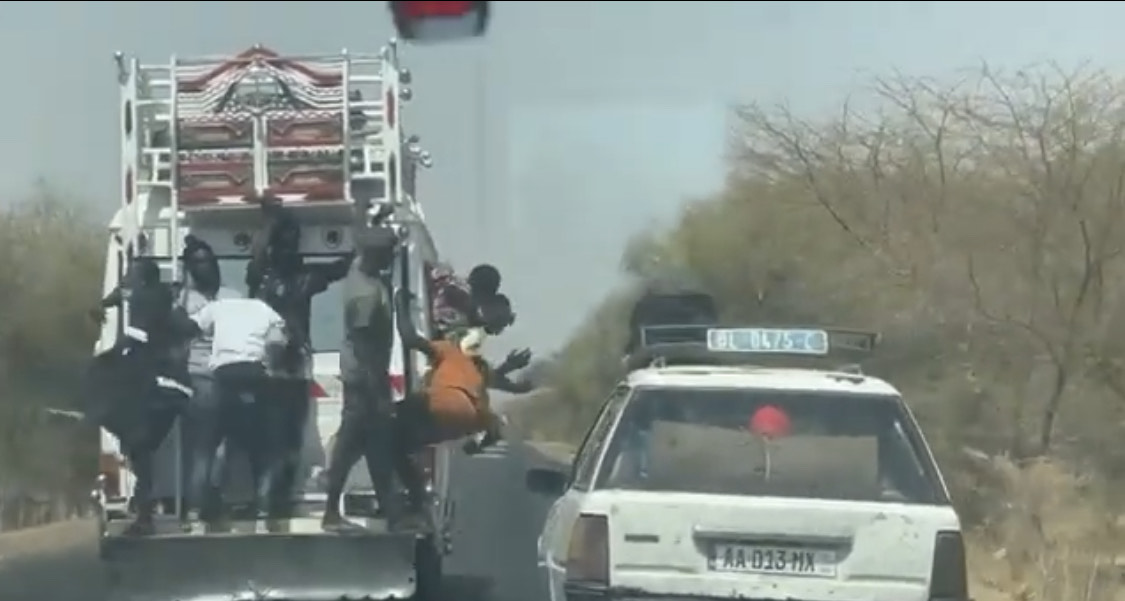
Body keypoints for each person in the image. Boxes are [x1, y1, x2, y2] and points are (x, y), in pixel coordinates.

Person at [245, 196, 352, 519]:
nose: (294, 249)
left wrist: (271, 222)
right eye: (290, 242)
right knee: (281, 439)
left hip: (277, 369)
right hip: (283, 369)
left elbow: (339, 268)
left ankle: (272, 500)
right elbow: (341, 267)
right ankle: (270, 500)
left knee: (278, 438)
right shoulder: (288, 277)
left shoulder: (265, 277)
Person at [391, 289, 533, 503]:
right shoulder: (478, 369)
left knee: (387, 425)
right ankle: (417, 499)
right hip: (465, 422)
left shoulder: (447, 351)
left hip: (444, 403)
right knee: (402, 446)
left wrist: (399, 306)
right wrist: (517, 383)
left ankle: (412, 491)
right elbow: (495, 381)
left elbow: (410, 339)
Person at [88, 256, 196, 535]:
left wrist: (106, 356)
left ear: (143, 278)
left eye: (131, 274)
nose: (126, 278)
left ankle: (145, 511)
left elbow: (135, 338)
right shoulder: (161, 296)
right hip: (176, 387)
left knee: (138, 444)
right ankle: (147, 501)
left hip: (156, 385)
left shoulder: (144, 300)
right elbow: (120, 294)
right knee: (142, 448)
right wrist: (106, 302)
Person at [321, 226, 404, 531]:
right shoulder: (365, 294)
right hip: (364, 380)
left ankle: (392, 511)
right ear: (375, 254)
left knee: (376, 447)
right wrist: (377, 391)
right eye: (387, 254)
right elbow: (364, 343)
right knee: (351, 447)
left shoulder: (363, 276)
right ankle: (331, 510)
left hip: (365, 378)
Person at [184, 296, 289, 525]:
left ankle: (196, 508)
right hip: (254, 374)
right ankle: (262, 503)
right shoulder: (264, 307)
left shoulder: (217, 307)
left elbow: (188, 326)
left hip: (224, 376)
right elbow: (277, 340)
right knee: (261, 444)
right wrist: (272, 366)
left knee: (207, 446)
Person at [175, 236, 243, 525]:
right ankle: (196, 507)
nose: (207, 268)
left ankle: (210, 501)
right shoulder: (184, 301)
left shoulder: (234, 297)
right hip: (200, 379)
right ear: (190, 268)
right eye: (199, 263)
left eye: (210, 261)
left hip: (229, 379)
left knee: (221, 448)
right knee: (203, 449)